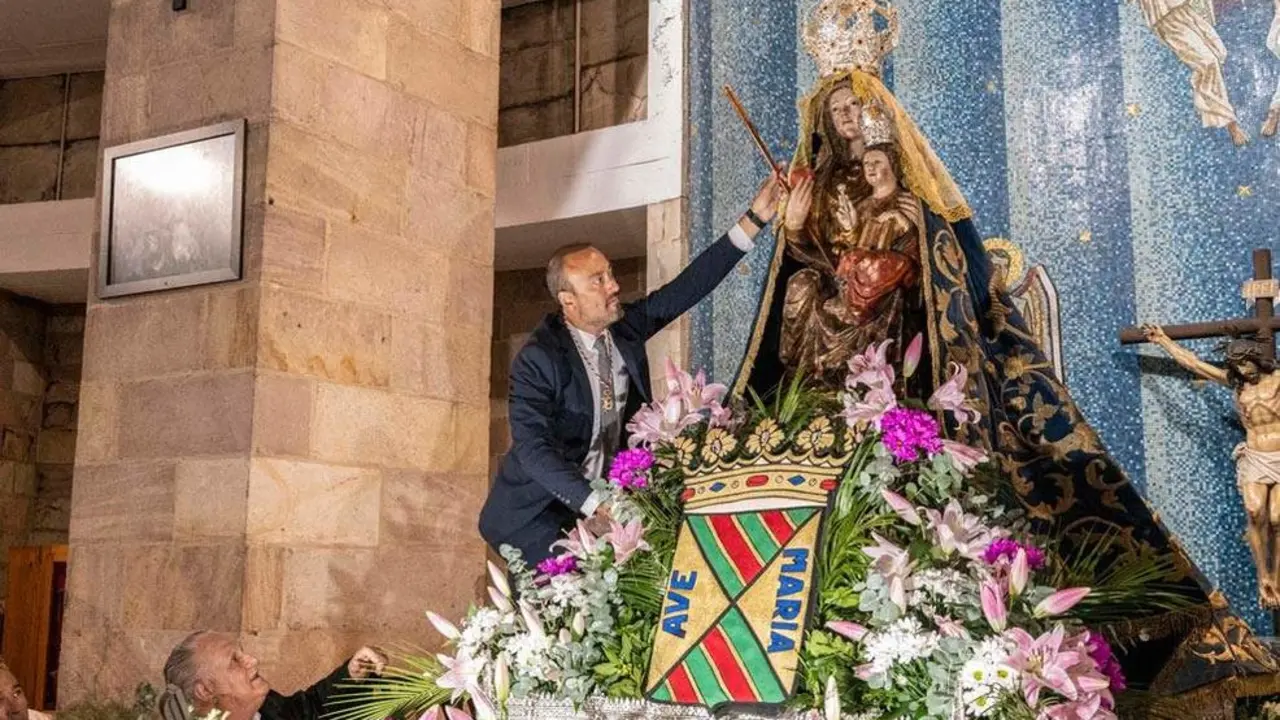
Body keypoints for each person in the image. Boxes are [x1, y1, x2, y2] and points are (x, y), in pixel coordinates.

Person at [479, 170, 788, 567]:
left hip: (607, 508)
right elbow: (535, 451)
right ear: (567, 301)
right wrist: (597, 504)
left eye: (609, 274)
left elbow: (686, 289)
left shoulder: (624, 329)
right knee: (564, 613)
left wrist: (756, 219)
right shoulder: (539, 360)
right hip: (536, 516)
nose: (613, 286)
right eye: (597, 281)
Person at [1142, 327, 1280, 607]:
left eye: (1246, 362)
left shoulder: (1278, 379)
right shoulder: (1237, 384)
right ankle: (1262, 576)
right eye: (1237, 365)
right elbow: (1193, 363)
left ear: (1256, 358)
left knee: (1277, 519)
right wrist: (1164, 340)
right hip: (1254, 455)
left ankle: (1276, 580)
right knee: (1255, 512)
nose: (1243, 369)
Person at [157, 631, 387, 720]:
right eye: (235, 661)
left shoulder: (268, 707)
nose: (253, 661)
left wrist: (353, 675)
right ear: (205, 690)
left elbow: (311, 710)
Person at [1132, 0, 1248, 145]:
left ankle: (1210, 106)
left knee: (1217, 53)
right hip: (1166, 17)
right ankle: (1230, 123)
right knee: (1208, 62)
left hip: (1184, 9)